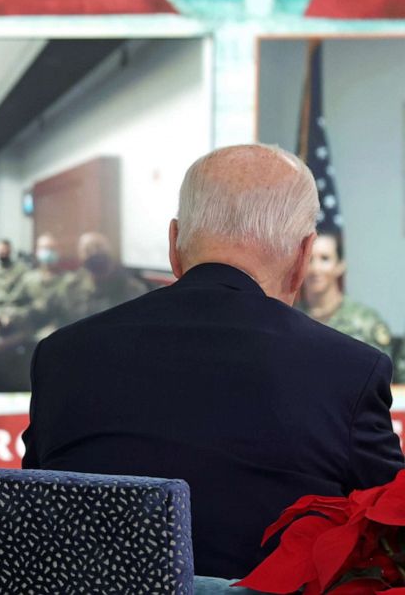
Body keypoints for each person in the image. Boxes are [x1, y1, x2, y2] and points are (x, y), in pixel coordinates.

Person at [22, 144, 404, 579]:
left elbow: (37, 521)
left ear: (174, 244)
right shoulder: (351, 372)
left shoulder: (61, 355)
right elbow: (393, 540)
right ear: (303, 256)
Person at [299, 230, 401, 381]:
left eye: (325, 259)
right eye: (310, 259)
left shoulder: (366, 323)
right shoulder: (290, 318)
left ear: (340, 265)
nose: (316, 268)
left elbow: (383, 382)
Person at [0, 233, 86, 339]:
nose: (48, 252)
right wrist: (6, 316)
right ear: (37, 252)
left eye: (52, 248)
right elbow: (13, 301)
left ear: (59, 251)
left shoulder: (70, 280)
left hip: (59, 335)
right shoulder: (29, 278)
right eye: (44, 248)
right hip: (28, 333)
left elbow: (75, 315)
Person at [72, 231, 148, 317]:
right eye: (88, 250)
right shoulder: (69, 288)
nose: (94, 253)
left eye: (99, 247)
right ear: (80, 255)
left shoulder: (133, 288)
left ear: (110, 251)